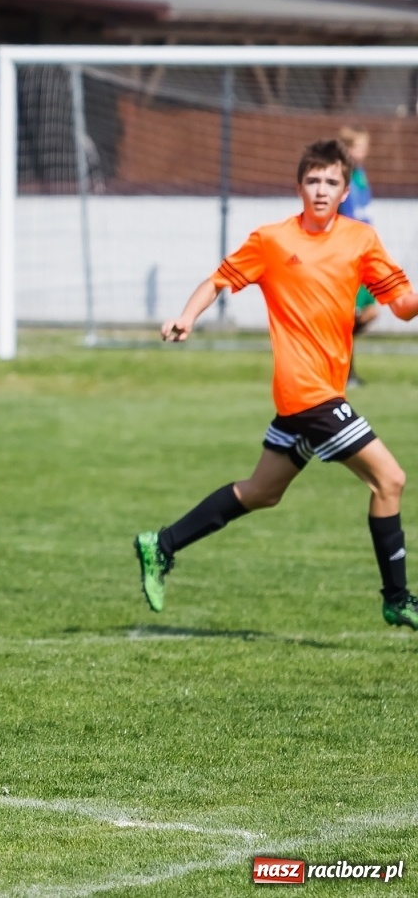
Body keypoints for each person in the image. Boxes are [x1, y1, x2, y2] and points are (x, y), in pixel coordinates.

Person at [134, 138, 418, 631]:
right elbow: (218, 280)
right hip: (308, 393)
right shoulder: (273, 240)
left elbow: (401, 305)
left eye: (332, 182)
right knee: (390, 480)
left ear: (345, 189)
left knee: (262, 492)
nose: (322, 190)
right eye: (313, 181)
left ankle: (161, 545)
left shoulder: (361, 241)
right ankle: (397, 598)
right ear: (298, 186)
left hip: (321, 394)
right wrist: (187, 315)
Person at [338, 126, 377, 387]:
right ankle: (345, 374)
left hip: (365, 253)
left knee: (369, 312)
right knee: (347, 315)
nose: (365, 152)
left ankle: (335, 356)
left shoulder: (361, 176)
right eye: (360, 147)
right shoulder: (341, 178)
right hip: (348, 254)